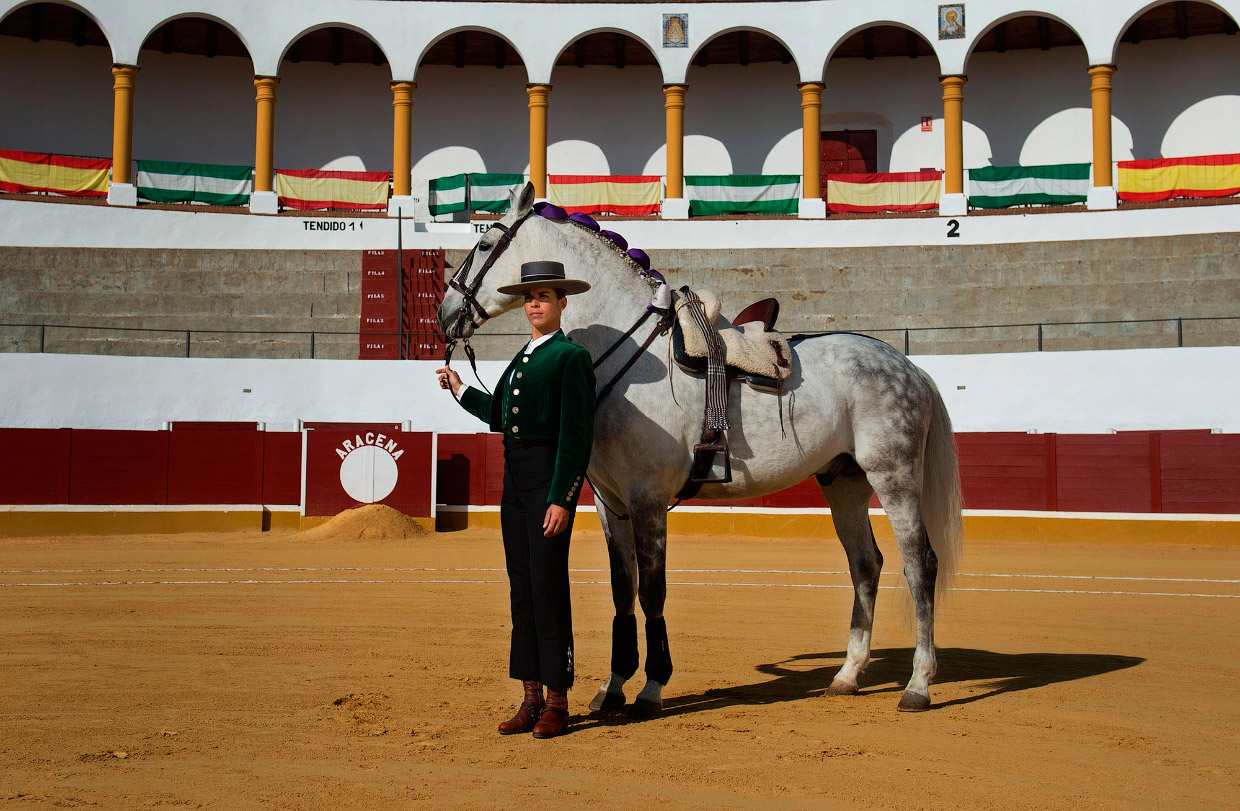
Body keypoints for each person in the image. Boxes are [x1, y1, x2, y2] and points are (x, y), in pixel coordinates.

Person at [436, 260, 595, 739]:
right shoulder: (523, 356)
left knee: (548, 588)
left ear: (562, 303)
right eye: (529, 298)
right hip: (514, 485)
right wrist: (460, 388)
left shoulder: (571, 357)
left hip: (547, 482)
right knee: (521, 589)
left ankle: (557, 703)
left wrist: (563, 498)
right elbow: (500, 413)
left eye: (543, 297)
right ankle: (529, 698)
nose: (534, 305)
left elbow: (576, 436)